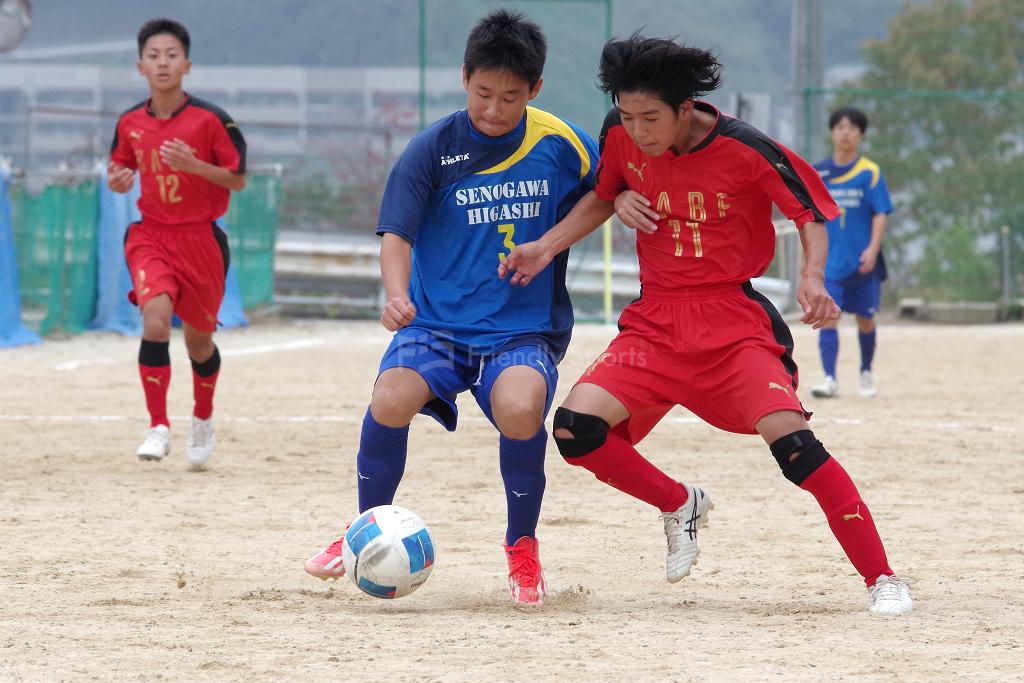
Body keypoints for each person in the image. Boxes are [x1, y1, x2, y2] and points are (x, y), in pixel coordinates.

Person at [499, 34, 912, 615]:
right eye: (627, 115)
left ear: (685, 109)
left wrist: (812, 279)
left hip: (731, 322)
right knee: (574, 430)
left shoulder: (746, 147)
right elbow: (606, 190)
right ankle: (678, 502)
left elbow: (811, 213)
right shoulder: (618, 134)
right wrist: (545, 246)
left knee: (794, 447)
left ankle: (883, 578)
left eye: (650, 118)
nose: (637, 130)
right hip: (657, 322)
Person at [303, 9, 599, 606]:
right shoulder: (431, 149)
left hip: (522, 328)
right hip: (436, 325)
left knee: (521, 407)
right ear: (465, 78)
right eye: (483, 93)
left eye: (510, 98)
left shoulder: (560, 141)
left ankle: (522, 547)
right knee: (390, 396)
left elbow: (608, 191)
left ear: (535, 90)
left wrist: (548, 244)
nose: (494, 109)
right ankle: (364, 530)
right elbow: (396, 233)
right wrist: (395, 293)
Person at [108, 18, 247, 468]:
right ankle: (157, 425)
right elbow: (119, 169)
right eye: (153, 55)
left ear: (186, 64)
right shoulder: (129, 122)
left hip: (201, 240)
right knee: (155, 318)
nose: (162, 62)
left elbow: (239, 178)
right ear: (140, 66)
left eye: (171, 55)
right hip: (151, 235)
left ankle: (202, 417)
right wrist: (117, 179)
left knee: (198, 344)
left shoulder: (211, 120)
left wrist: (193, 165)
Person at [810, 106, 892, 399]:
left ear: (860, 134)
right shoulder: (818, 172)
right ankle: (830, 378)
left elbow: (881, 212)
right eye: (840, 127)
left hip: (862, 262)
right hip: (831, 263)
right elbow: (809, 215)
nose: (845, 132)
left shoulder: (869, 172)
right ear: (832, 132)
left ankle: (866, 372)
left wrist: (873, 248)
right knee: (829, 317)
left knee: (865, 319)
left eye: (852, 128)